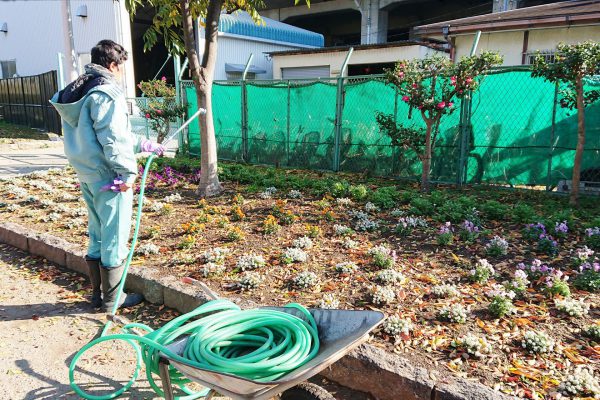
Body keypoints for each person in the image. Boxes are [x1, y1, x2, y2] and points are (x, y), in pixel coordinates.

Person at [50, 40, 164, 311]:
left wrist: (143, 144)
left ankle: (97, 295)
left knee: (97, 232)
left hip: (87, 173)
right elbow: (112, 139)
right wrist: (127, 174)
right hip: (109, 176)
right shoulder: (106, 92)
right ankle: (113, 300)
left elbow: (105, 136)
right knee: (114, 234)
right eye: (121, 66)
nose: (122, 71)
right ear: (113, 65)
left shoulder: (78, 90)